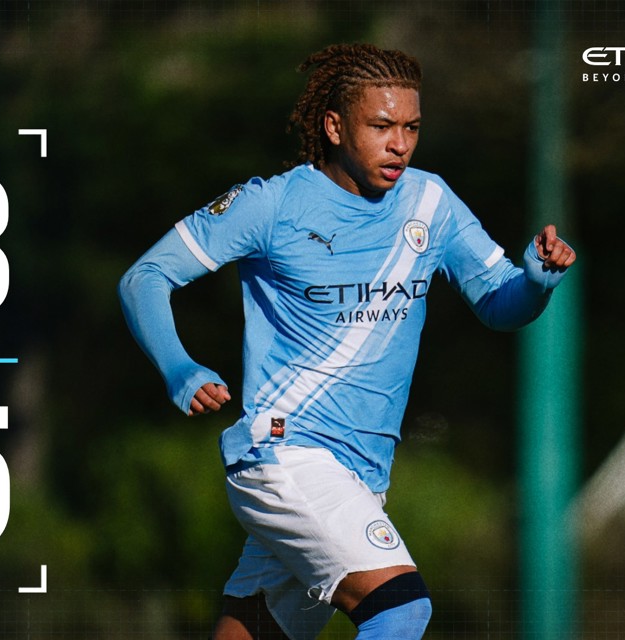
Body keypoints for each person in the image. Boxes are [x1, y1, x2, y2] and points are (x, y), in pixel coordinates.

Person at [118, 43, 576, 640]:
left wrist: (536, 284)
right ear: (334, 127)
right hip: (285, 454)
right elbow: (145, 278)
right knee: (401, 609)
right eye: (381, 126)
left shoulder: (431, 202)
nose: (400, 144)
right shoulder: (271, 204)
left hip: (361, 475)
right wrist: (178, 366)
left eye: (412, 127)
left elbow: (497, 301)